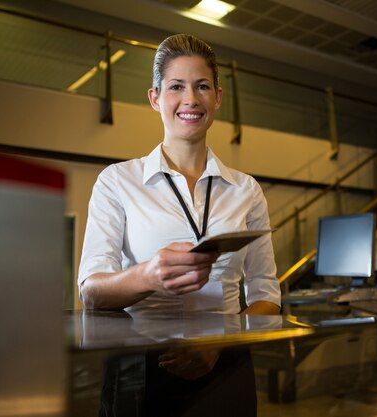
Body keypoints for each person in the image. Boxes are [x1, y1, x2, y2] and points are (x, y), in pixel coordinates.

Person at [78, 33, 281, 417]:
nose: (190, 99)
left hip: (227, 368)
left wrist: (220, 343)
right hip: (141, 367)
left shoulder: (246, 190)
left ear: (217, 98)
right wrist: (150, 275)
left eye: (202, 86)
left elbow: (266, 295)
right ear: (155, 98)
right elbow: (91, 292)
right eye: (176, 87)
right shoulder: (117, 181)